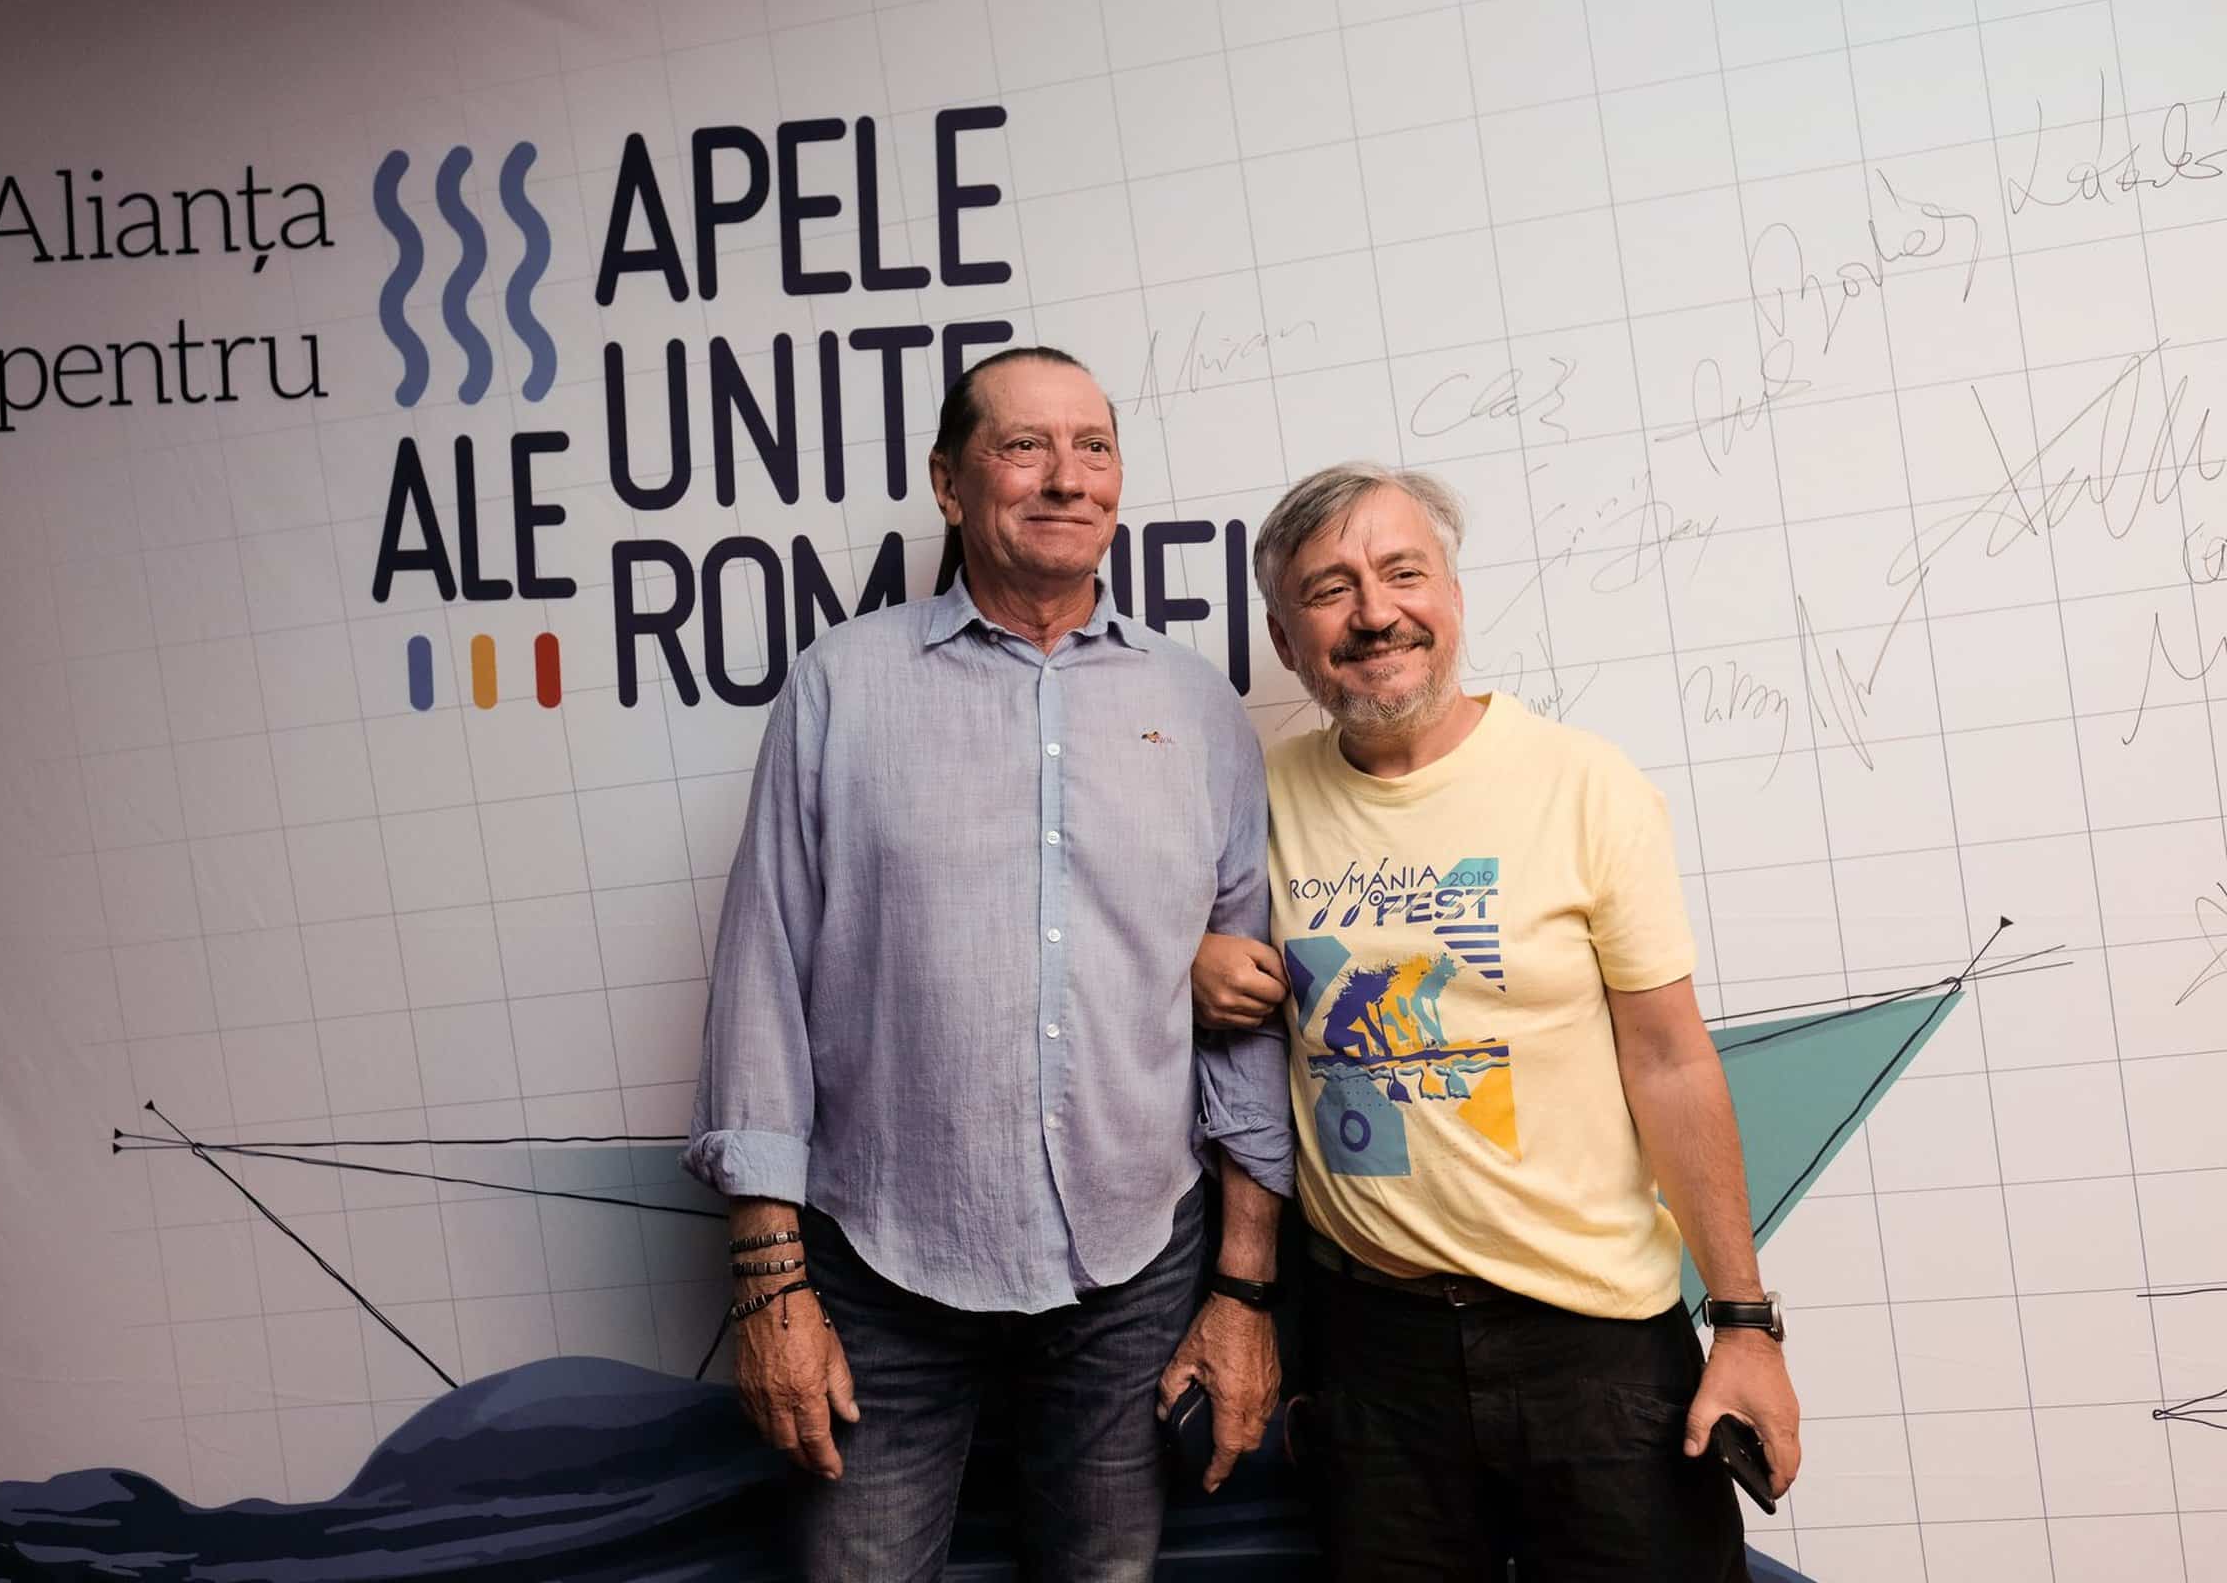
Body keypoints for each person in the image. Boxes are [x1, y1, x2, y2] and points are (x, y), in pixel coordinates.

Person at [684, 346, 1295, 1581]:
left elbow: (1244, 1023)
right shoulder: (840, 687)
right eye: (1024, 446)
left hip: (1134, 1264)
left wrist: (1242, 1291)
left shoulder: (1199, 709)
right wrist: (769, 1282)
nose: (1067, 477)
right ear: (949, 484)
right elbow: (762, 984)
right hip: (880, 1259)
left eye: (1093, 447)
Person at [1193, 462, 1801, 1581]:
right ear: (1284, 640)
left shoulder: (1583, 784)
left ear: (1454, 597)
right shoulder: (1253, 803)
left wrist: (1746, 1324)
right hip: (1372, 1363)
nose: (1375, 612)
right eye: (1329, 589)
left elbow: (1671, 1062)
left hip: (1597, 1349)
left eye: (1403, 572)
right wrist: (1186, 961)